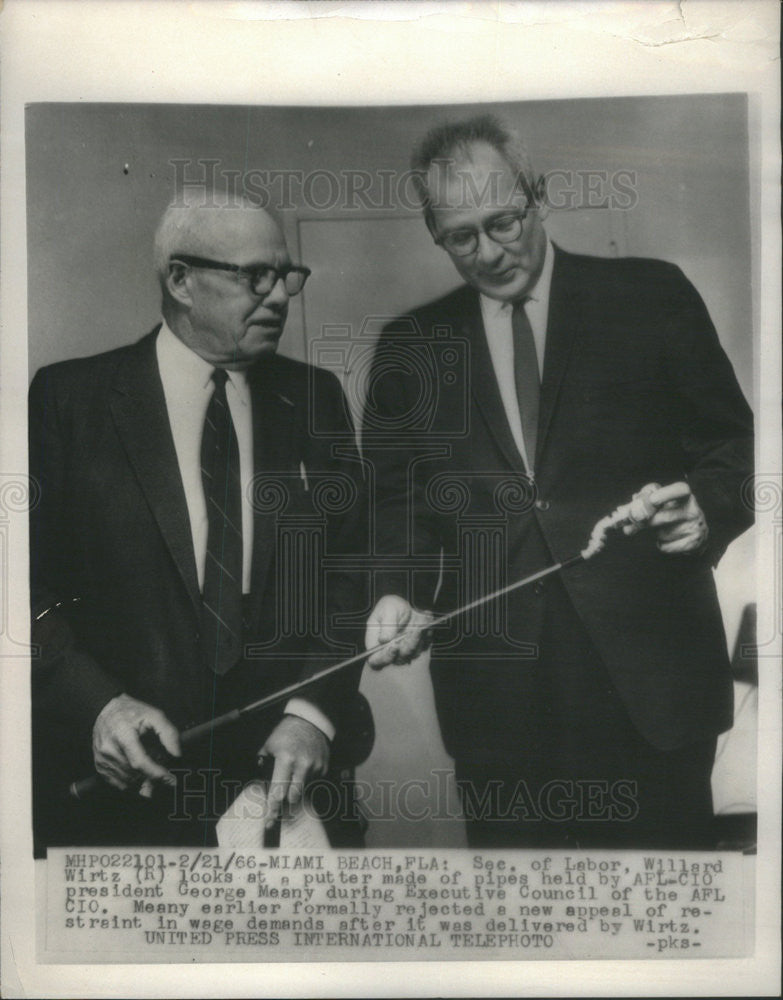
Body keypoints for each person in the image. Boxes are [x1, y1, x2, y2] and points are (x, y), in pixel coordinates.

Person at [363, 115, 754, 849]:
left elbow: (730, 444)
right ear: (435, 234)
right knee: (526, 935)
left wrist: (706, 510)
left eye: (502, 221)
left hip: (654, 689)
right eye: (460, 237)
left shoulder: (650, 296)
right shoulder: (409, 348)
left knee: (661, 927)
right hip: (499, 707)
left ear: (537, 197)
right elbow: (397, 503)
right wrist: (399, 588)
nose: (487, 252)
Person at [30, 195, 367, 852]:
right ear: (180, 280)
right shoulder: (70, 401)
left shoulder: (315, 399)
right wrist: (95, 702)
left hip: (285, 793)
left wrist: (313, 715)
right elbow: (18, 587)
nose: (277, 297)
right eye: (253, 277)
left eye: (285, 277)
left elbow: (348, 573)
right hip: (119, 796)